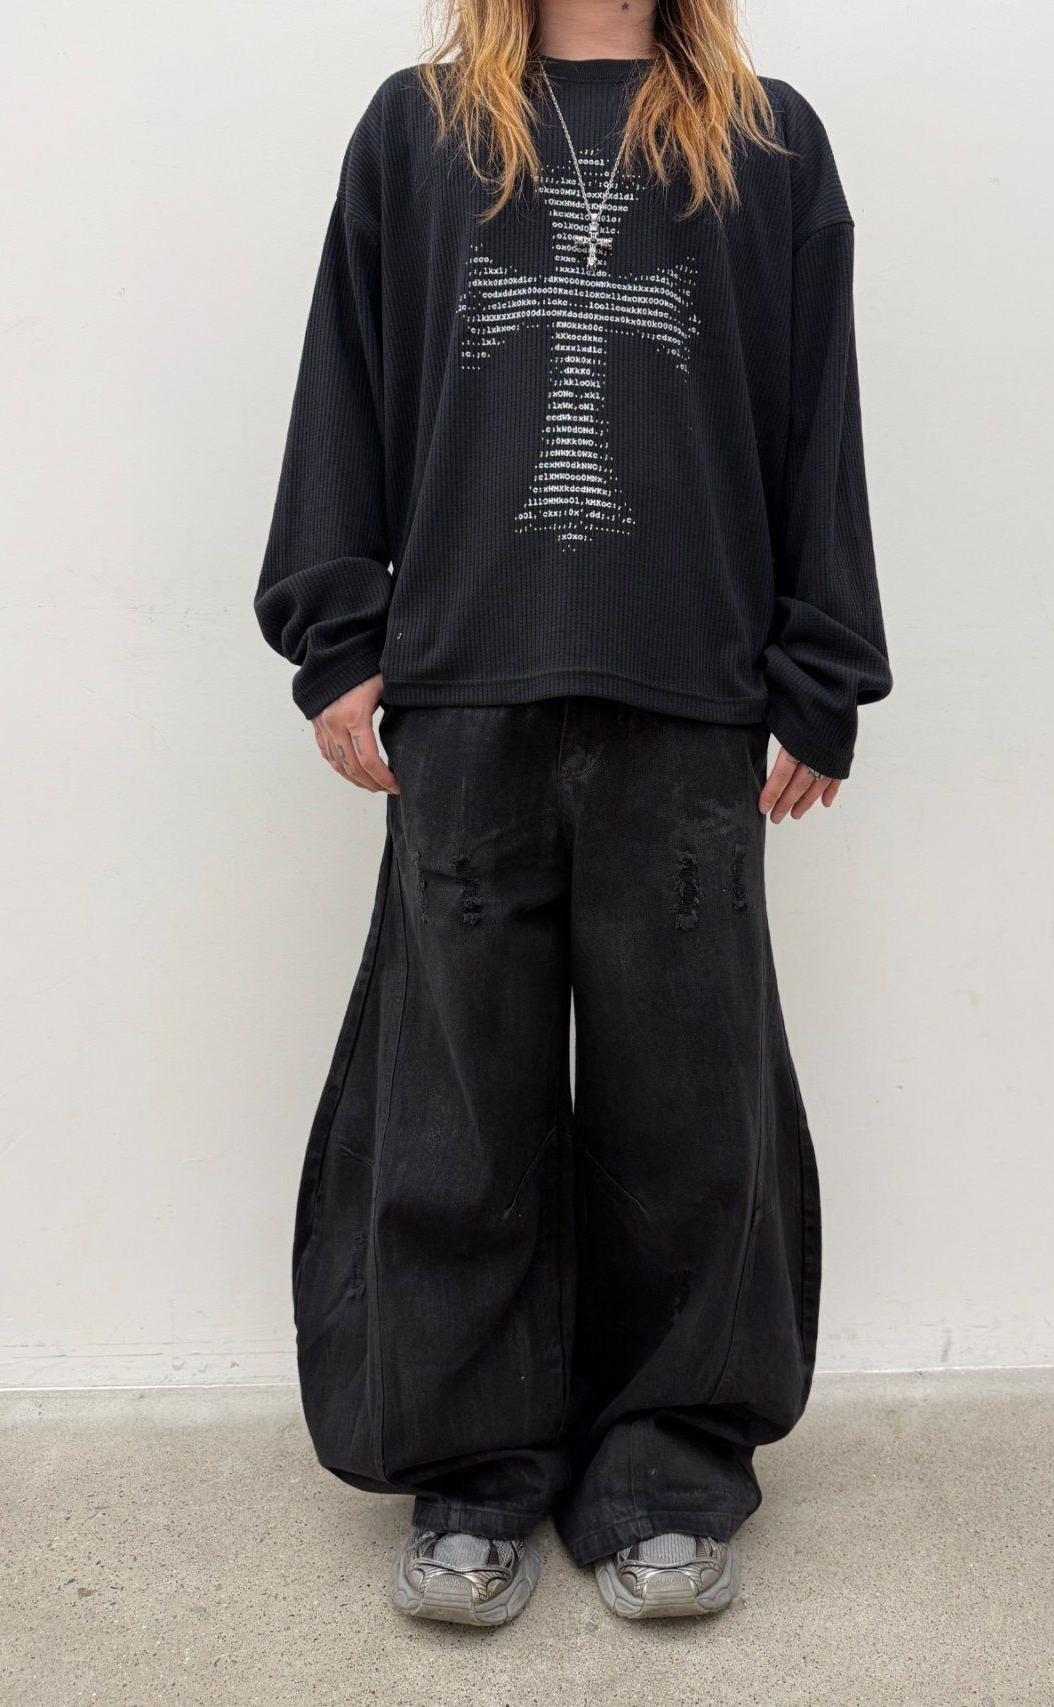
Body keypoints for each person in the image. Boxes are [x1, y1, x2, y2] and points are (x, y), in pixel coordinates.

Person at [255, 0, 891, 1626]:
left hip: (690, 684)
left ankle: (666, 1469)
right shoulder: (420, 132)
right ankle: (476, 1472)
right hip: (465, 677)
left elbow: (815, 408)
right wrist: (338, 631)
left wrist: (821, 665)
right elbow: (346, 379)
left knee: (688, 1110)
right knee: (460, 1103)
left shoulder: (764, 142)